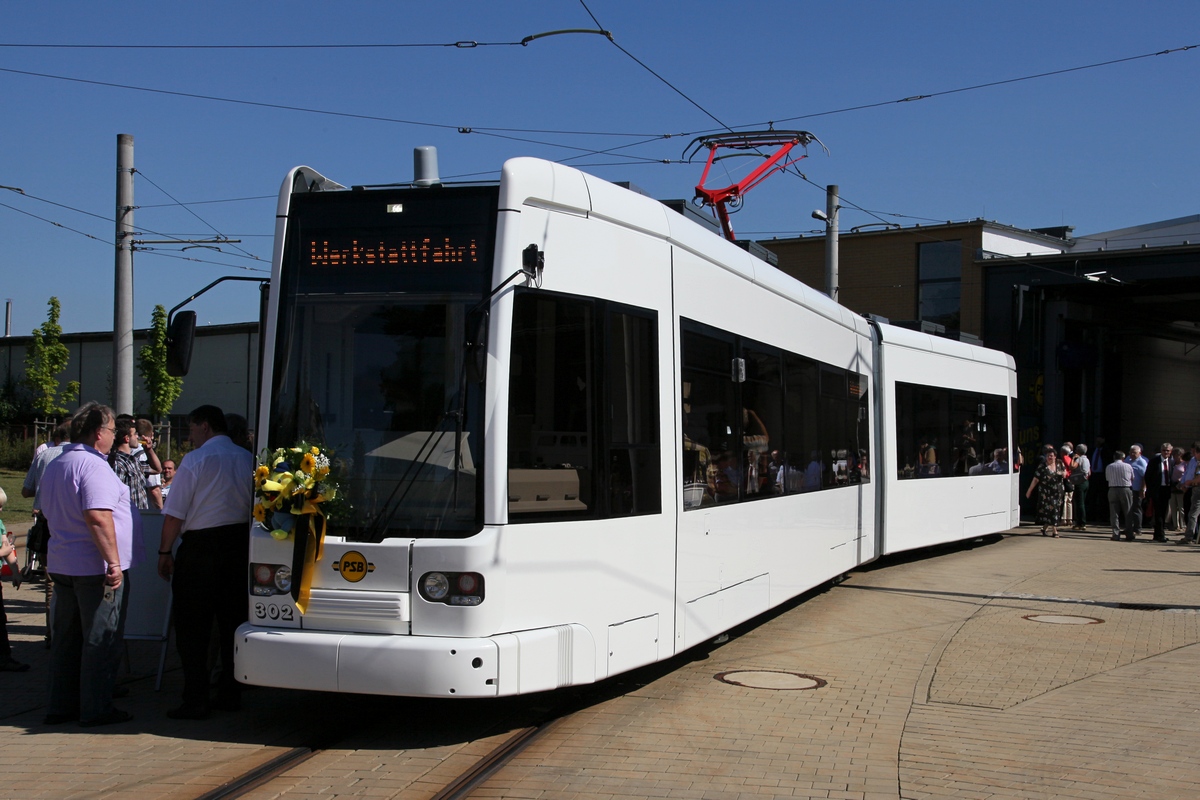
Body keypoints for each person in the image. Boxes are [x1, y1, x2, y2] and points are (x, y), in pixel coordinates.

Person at [156, 405, 254, 720]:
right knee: (232, 624)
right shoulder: (247, 459)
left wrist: (164, 551)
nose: (190, 436)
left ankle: (196, 698)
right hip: (239, 546)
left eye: (192, 429)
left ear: (205, 426)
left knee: (192, 627)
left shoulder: (196, 460)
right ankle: (231, 691)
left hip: (201, 549)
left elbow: (175, 513)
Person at [38, 402, 132, 727]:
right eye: (112, 430)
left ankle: (61, 705)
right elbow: (98, 517)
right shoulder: (93, 466)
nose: (114, 436)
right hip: (94, 569)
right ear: (97, 433)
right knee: (99, 639)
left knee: (66, 639)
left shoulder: (57, 463)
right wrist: (114, 563)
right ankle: (96, 708)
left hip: (64, 562)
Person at [0, 488, 29, 672]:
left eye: (2, 506)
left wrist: (15, 571)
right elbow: (4, 549)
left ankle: (4, 657)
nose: (1, 510)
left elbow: (7, 547)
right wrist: (2, 551)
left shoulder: (0, 524)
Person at [109, 415, 151, 511]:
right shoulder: (118, 463)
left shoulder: (134, 460)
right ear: (127, 438)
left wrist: (149, 450)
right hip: (127, 515)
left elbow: (157, 469)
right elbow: (115, 495)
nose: (137, 436)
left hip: (140, 514)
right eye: (135, 434)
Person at [1025, 448, 1065, 537]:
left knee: (1054, 510)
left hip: (1058, 492)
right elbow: (1036, 479)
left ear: (1055, 456)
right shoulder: (1042, 466)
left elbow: (1065, 472)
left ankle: (1044, 528)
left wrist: (1063, 474)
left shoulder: (1060, 463)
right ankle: (1055, 531)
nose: (1049, 457)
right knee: (1053, 510)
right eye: (1047, 456)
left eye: (1051, 456)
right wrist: (1029, 490)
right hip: (1046, 493)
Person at [134, 419, 164, 510]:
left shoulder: (127, 451)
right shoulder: (145, 455)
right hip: (141, 509)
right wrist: (160, 512)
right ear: (151, 435)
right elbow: (154, 490)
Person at [1145, 442, 1172, 542]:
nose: (1165, 452)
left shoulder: (1171, 462)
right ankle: (1160, 535)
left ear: (1170, 451)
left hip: (1166, 489)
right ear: (1161, 451)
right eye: (1164, 450)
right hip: (1157, 490)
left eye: (1167, 451)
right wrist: (1150, 490)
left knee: (1163, 512)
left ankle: (1158, 534)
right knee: (1158, 512)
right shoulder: (1154, 461)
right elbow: (1148, 476)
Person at [1105, 450, 1134, 541]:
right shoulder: (1128, 466)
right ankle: (1129, 533)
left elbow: (1107, 478)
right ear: (1123, 458)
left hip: (1113, 488)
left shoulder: (1109, 466)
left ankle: (1115, 534)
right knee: (1128, 511)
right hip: (1125, 488)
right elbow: (1132, 478)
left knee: (1114, 513)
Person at [1126, 445, 1148, 539]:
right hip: (1129, 488)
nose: (1132, 454)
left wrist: (1143, 489)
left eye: (1134, 452)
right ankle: (1129, 527)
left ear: (1139, 453)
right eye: (1131, 452)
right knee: (1129, 509)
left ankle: (1137, 528)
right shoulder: (1128, 460)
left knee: (1136, 508)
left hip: (1137, 489)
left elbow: (1145, 477)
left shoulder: (1141, 462)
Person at [1069, 443, 1091, 531]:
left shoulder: (1079, 459)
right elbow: (1089, 472)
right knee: (1082, 502)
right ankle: (1081, 522)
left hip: (1079, 482)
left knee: (1079, 503)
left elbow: (1072, 466)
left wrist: (1073, 458)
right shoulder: (1087, 459)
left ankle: (1081, 523)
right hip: (1086, 481)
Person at [1167, 447, 1187, 533]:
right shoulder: (1172, 463)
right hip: (1172, 487)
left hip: (1180, 487)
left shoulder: (1184, 464)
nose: (1175, 456)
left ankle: (1183, 525)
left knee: (1181, 507)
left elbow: (1186, 474)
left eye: (1176, 455)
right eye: (1174, 455)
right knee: (1173, 507)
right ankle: (1175, 525)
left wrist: (1181, 480)